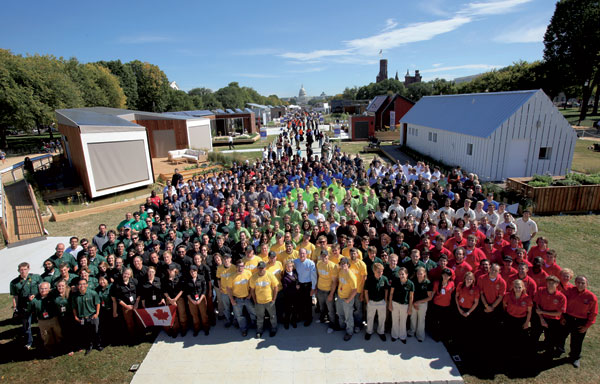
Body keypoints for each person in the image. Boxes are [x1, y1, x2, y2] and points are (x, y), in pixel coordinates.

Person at [560, 275, 598, 368]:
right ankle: (559, 350)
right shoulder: (569, 291)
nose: (580, 285)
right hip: (568, 318)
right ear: (575, 283)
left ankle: (575, 357)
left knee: (577, 341)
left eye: (583, 283)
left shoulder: (591, 297)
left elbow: (594, 313)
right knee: (561, 335)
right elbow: (562, 304)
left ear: (587, 284)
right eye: (578, 282)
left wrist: (587, 326)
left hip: (581, 322)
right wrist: (562, 317)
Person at [533, 275, 567, 359]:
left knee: (550, 339)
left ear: (557, 284)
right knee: (534, 335)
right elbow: (537, 304)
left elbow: (559, 313)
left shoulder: (561, 297)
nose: (550, 285)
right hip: (540, 317)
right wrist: (541, 318)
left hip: (553, 320)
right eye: (548, 283)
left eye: (553, 283)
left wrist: (543, 312)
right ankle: (532, 351)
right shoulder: (540, 290)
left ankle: (547, 355)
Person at [10, 262, 41, 349]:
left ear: (29, 269)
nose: (23, 271)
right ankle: (29, 342)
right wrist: (15, 308)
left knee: (42, 322)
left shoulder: (36, 277)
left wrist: (35, 295)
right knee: (27, 325)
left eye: (25, 269)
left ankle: (42, 339)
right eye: (21, 270)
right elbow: (15, 296)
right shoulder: (14, 283)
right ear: (18, 270)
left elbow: (42, 288)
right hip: (24, 306)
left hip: (37, 303)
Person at [29, 282, 62, 357]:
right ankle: (50, 352)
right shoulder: (35, 299)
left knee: (58, 334)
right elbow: (30, 309)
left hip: (54, 319)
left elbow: (58, 289)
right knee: (46, 337)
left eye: (45, 288)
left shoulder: (53, 296)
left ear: (49, 289)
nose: (43, 290)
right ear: (39, 289)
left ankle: (60, 349)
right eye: (41, 288)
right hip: (42, 321)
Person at [502, 279, 533, 359]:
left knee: (520, 338)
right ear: (513, 287)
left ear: (523, 288)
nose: (517, 289)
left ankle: (518, 354)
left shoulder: (527, 298)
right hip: (510, 319)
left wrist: (527, 323)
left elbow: (529, 312)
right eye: (516, 287)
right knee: (509, 336)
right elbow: (504, 306)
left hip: (521, 320)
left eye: (519, 287)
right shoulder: (508, 295)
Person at [70, 279, 101, 355]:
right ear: (77, 286)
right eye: (80, 284)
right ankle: (89, 346)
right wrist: (75, 317)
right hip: (82, 318)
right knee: (87, 333)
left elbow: (97, 303)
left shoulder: (92, 293)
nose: (82, 286)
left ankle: (98, 345)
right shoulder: (75, 296)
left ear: (87, 285)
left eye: (84, 284)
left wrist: (97, 314)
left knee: (96, 331)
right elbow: (74, 307)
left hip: (92, 315)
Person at [249, 261, 279, 338]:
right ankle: (259, 330)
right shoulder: (253, 277)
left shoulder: (270, 275)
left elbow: (276, 287)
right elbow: (252, 290)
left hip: (269, 301)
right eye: (259, 268)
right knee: (259, 317)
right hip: (259, 302)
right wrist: (255, 300)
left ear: (265, 268)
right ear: (257, 268)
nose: (261, 270)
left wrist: (274, 299)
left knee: (272, 316)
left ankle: (274, 328)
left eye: (262, 268)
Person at [228, 259, 255, 337]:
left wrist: (250, 295)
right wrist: (232, 300)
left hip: (247, 298)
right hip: (237, 299)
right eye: (239, 266)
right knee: (239, 316)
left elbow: (252, 285)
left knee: (253, 312)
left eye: (242, 266)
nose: (241, 268)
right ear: (236, 267)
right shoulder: (232, 276)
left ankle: (254, 324)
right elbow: (228, 289)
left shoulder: (248, 273)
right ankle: (244, 329)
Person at [364, 262, 389, 341]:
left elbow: (386, 290)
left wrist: (385, 300)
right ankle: (369, 331)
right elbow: (366, 291)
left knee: (382, 318)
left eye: (382, 271)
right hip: (372, 302)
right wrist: (368, 302)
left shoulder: (384, 279)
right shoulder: (369, 279)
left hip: (381, 302)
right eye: (378, 271)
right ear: (374, 271)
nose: (380, 273)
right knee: (370, 317)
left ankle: (381, 331)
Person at [429, 268, 455, 343]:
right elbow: (433, 293)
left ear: (450, 276)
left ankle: (442, 336)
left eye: (448, 275)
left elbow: (452, 292)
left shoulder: (452, 283)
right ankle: (436, 336)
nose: (446, 277)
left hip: (446, 306)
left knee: (444, 322)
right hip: (437, 305)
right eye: (444, 275)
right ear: (442, 275)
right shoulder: (437, 283)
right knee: (436, 321)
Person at [293, 248, 317, 326]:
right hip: (300, 285)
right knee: (300, 302)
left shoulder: (311, 263)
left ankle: (309, 318)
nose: (302, 255)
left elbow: (314, 277)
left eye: (303, 253)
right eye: (301, 253)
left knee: (308, 303)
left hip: (308, 285)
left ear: (306, 254)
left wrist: (313, 288)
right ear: (298, 254)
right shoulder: (296, 262)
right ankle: (301, 317)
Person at [388, 267, 413, 343]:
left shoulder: (410, 284)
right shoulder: (395, 281)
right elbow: (391, 293)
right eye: (400, 274)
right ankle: (394, 335)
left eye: (403, 274)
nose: (401, 276)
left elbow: (411, 297)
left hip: (404, 305)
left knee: (403, 321)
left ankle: (402, 336)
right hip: (395, 303)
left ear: (407, 275)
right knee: (395, 320)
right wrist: (390, 304)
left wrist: (410, 308)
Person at [316, 250, 338, 333]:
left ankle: (332, 325)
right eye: (323, 256)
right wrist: (316, 288)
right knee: (322, 307)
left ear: (328, 256)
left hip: (328, 291)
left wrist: (331, 294)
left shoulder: (333, 266)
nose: (324, 257)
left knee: (331, 309)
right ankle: (322, 319)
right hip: (320, 289)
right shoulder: (318, 264)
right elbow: (318, 276)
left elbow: (334, 282)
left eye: (326, 256)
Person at [336, 257, 358, 341]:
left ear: (348, 265)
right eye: (341, 263)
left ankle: (349, 332)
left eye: (344, 263)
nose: (343, 265)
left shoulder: (351, 276)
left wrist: (348, 300)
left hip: (347, 299)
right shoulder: (341, 272)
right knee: (340, 314)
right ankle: (342, 327)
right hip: (340, 297)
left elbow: (355, 290)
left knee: (348, 317)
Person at [163, 265, 187, 337]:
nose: (170, 271)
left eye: (172, 270)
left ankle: (183, 329)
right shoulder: (165, 279)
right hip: (169, 299)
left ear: (175, 270)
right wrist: (170, 299)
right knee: (173, 315)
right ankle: (175, 329)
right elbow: (164, 291)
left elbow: (182, 290)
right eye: (169, 270)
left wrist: (175, 299)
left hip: (179, 298)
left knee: (182, 314)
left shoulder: (180, 278)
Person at [409, 266, 433, 342]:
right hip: (413, 303)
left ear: (424, 274)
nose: (419, 275)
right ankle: (412, 332)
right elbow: (411, 294)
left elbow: (430, 297)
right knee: (413, 318)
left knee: (421, 320)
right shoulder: (413, 281)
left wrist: (418, 302)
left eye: (421, 273)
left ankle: (420, 335)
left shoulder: (427, 283)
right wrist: (413, 303)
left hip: (422, 304)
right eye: (418, 273)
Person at [186, 265, 210, 336]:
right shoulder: (188, 280)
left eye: (194, 271)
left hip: (201, 299)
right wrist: (192, 300)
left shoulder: (201, 278)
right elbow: (187, 292)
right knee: (194, 315)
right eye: (191, 272)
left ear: (197, 271)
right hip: (192, 300)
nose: (193, 273)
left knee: (203, 314)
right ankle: (196, 328)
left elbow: (204, 289)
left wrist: (200, 299)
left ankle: (206, 328)